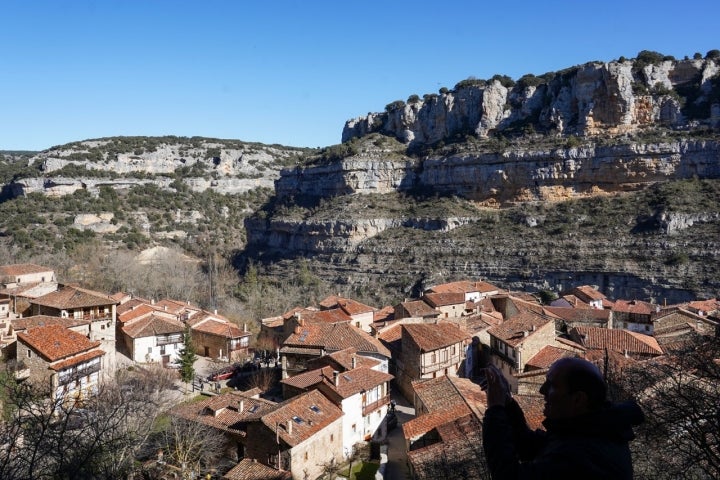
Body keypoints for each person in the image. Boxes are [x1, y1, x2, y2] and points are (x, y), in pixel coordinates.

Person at [482, 358, 644, 479]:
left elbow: (508, 476)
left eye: (551, 385)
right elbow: (531, 446)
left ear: (578, 399)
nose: (542, 390)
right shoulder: (590, 429)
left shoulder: (582, 457)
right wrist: (508, 404)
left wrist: (495, 410)